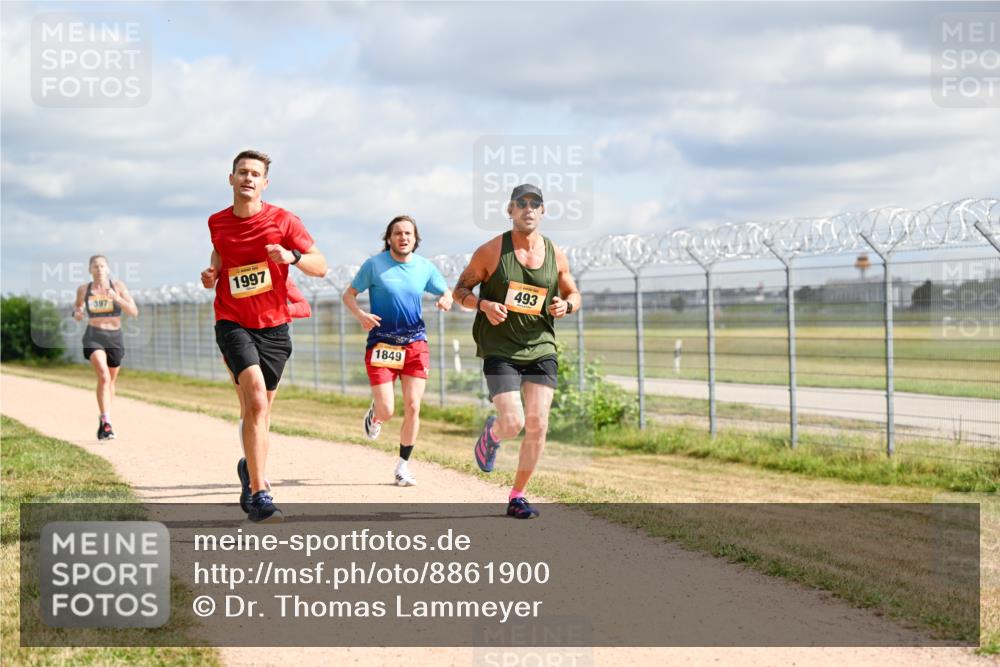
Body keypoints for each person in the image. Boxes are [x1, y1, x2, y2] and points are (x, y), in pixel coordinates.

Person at [200, 149, 327, 523]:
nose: (248, 178)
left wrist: (292, 258)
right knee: (255, 399)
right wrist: (212, 275)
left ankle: (249, 470)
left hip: (273, 327)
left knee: (261, 410)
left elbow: (320, 266)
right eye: (242, 172)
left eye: (255, 174)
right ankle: (260, 493)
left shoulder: (284, 221)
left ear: (264, 183)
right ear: (231, 179)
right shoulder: (217, 222)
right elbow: (220, 257)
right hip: (232, 320)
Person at [452, 184, 581, 519]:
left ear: (543, 211)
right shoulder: (491, 251)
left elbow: (574, 294)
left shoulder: (556, 254)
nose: (528, 209)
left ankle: (517, 496)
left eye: (535, 204)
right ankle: (492, 436)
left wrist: (565, 305)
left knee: (538, 424)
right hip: (500, 348)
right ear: (510, 210)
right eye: (521, 204)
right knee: (513, 422)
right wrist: (483, 304)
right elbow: (460, 290)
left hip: (540, 346)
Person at [342, 215, 453, 486]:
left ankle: (403, 466)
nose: (403, 237)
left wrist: (446, 299)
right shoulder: (374, 265)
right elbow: (349, 294)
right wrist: (361, 315)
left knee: (413, 407)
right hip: (382, 344)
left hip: (415, 344)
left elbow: (445, 291)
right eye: (398, 233)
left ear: (415, 239)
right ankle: (377, 414)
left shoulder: (424, 267)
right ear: (389, 238)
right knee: (389, 410)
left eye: (408, 234)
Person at [73, 254, 138, 441]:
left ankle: (105, 416)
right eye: (95, 266)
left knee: (111, 382)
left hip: (115, 337)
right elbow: (77, 309)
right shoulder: (83, 289)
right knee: (103, 375)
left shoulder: (118, 287)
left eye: (102, 266)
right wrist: (77, 313)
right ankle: (107, 421)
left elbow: (133, 311)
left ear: (107, 269)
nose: (99, 269)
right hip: (94, 335)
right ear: (89, 270)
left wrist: (117, 298)